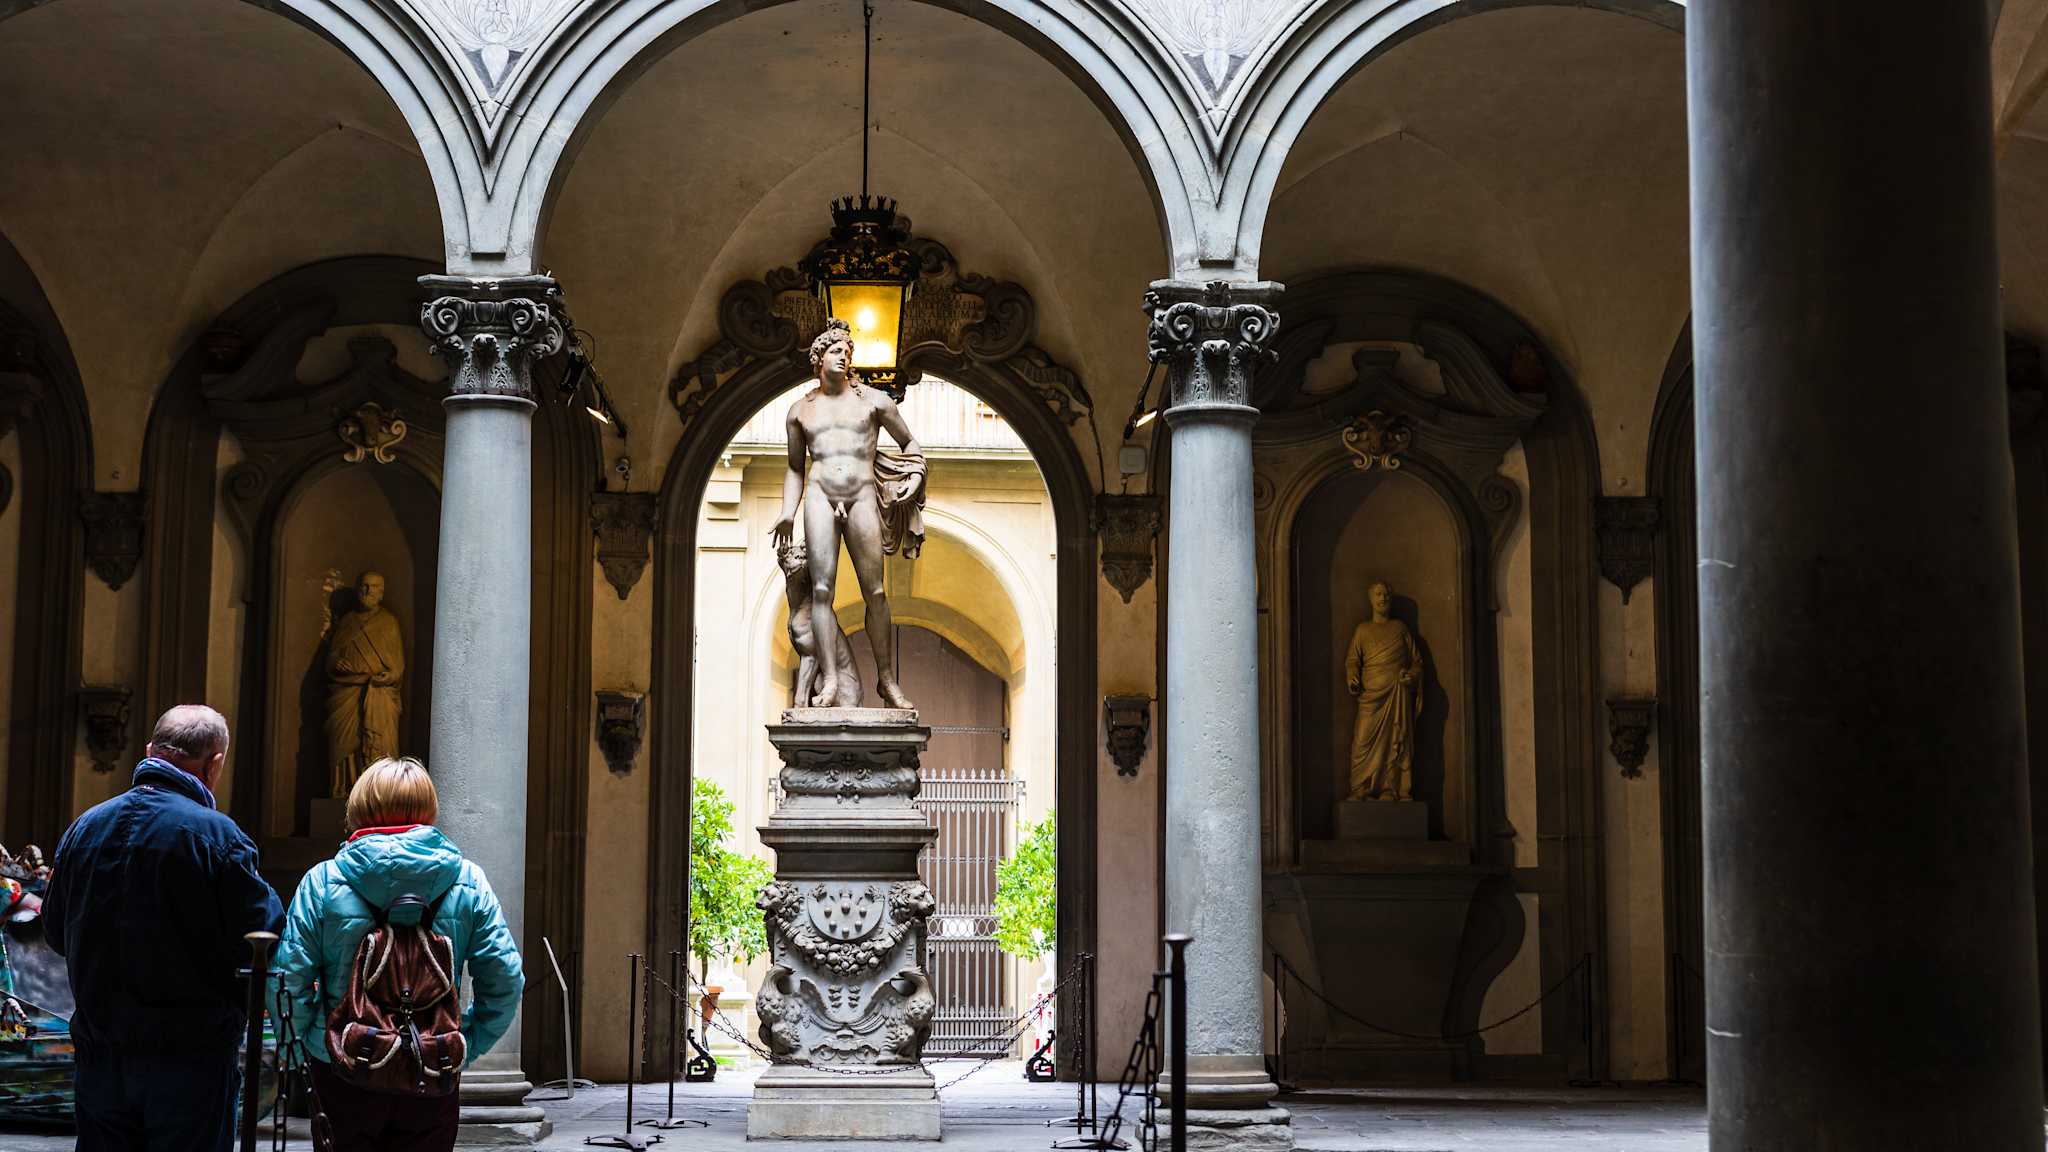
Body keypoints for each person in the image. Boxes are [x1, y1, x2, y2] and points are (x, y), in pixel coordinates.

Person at [43, 703, 284, 1151]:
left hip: (101, 1059)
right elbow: (263, 937)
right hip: (190, 1064)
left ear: (151, 750)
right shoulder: (219, 837)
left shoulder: (84, 828)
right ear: (215, 765)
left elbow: (55, 932)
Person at [274, 756, 523, 1152]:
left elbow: (287, 982)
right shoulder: (468, 881)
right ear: (428, 809)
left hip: (346, 1068)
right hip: (433, 1066)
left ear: (359, 808)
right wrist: (465, 1043)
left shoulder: (322, 881)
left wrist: (321, 1044)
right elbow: (506, 980)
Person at [770, 318, 927, 709]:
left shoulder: (874, 401)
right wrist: (788, 511)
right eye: (836, 351)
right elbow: (795, 468)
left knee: (874, 591)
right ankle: (832, 683)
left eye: (847, 353)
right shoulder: (799, 412)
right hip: (820, 496)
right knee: (822, 590)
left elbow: (911, 445)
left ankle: (886, 681)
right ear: (819, 358)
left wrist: (916, 475)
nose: (844, 357)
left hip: (861, 495)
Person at [324, 570, 404, 798]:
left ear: (382, 593)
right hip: (346, 693)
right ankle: (346, 788)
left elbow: (397, 667)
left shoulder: (389, 623)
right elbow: (330, 660)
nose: (368, 591)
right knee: (344, 745)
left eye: (374, 587)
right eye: (364, 586)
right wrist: (338, 663)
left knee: (377, 743)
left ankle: (377, 791)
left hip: (378, 694)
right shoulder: (346, 622)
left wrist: (387, 677)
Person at [1345, 580, 1423, 801]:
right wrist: (1353, 677)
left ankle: (1391, 788)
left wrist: (1412, 676)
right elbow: (1353, 660)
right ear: (1371, 599)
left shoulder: (1400, 629)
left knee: (1394, 743)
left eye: (1386, 595)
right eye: (1379, 594)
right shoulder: (1362, 630)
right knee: (1362, 741)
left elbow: (1417, 661)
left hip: (1396, 695)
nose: (1383, 598)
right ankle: (1361, 787)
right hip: (1371, 697)